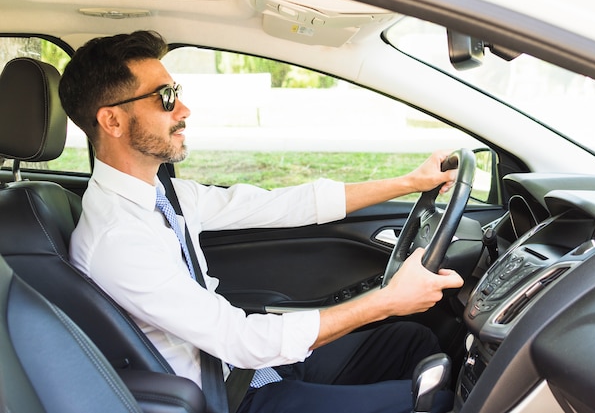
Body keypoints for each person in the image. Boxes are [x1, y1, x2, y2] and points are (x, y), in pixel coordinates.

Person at [59, 30, 464, 413]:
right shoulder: (118, 240)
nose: (184, 110)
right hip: (231, 397)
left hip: (247, 368)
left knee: (412, 341)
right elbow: (240, 340)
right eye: (165, 98)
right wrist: (386, 300)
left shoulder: (164, 196)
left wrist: (410, 182)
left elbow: (285, 204)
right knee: (436, 401)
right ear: (112, 121)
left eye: (177, 93)